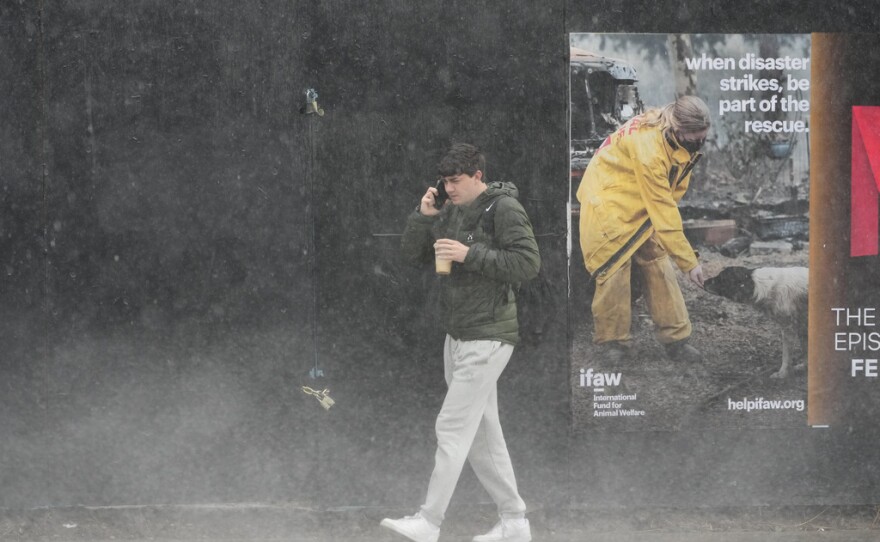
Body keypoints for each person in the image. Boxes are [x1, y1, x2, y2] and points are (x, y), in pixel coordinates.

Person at [381, 143, 540, 542]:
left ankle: (429, 522)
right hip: (459, 335)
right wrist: (423, 216)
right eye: (445, 181)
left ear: (477, 177)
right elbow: (410, 255)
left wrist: (470, 253)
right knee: (483, 434)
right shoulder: (451, 210)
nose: (449, 188)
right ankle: (515, 522)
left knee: (452, 427)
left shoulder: (504, 208)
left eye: (456, 181)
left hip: (488, 336)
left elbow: (528, 263)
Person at [576, 95, 710, 363]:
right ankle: (613, 344)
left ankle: (677, 340)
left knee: (657, 261)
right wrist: (689, 263)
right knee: (614, 267)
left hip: (638, 196)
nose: (700, 144)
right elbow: (663, 208)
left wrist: (672, 244)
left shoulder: (674, 133)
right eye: (696, 138)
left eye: (703, 138)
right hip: (608, 200)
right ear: (679, 128)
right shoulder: (650, 148)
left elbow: (671, 191)